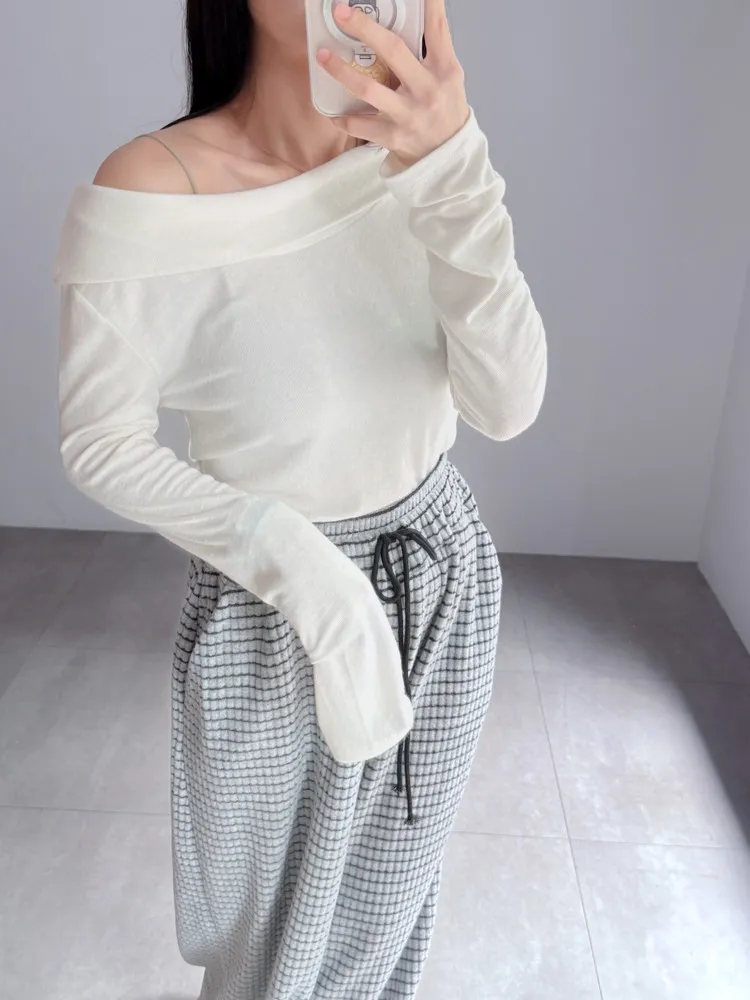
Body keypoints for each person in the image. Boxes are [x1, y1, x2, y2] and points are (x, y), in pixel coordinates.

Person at [52, 0, 547, 997]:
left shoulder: (421, 157)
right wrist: (302, 569)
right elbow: (101, 440)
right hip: (272, 618)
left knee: (382, 930)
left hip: (440, 583)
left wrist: (455, 167)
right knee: (262, 955)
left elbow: (508, 404)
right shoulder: (152, 189)